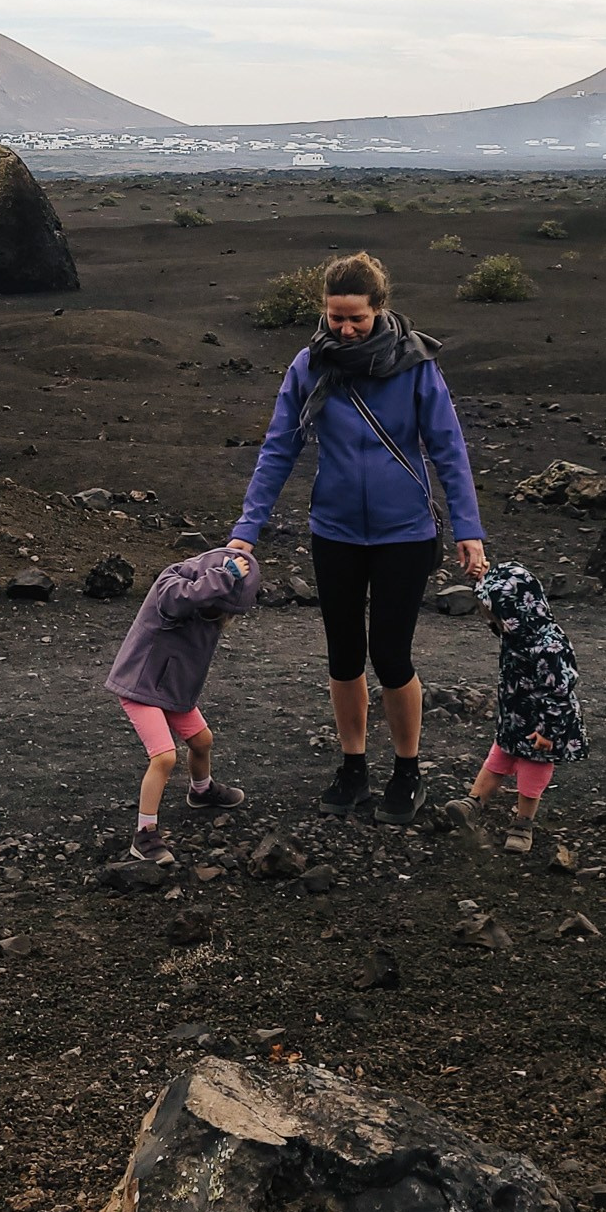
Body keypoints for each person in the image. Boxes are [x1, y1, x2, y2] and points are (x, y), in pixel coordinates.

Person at [228, 250, 486, 824]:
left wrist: (468, 530)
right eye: (335, 317)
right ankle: (352, 766)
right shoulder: (309, 365)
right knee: (344, 657)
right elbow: (279, 448)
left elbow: (448, 448)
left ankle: (408, 770)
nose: (344, 329)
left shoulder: (415, 364)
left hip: (405, 534)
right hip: (337, 531)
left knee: (391, 656)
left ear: (380, 310)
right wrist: (248, 529)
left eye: (356, 319)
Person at [104, 547, 259, 864]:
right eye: (218, 609)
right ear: (210, 582)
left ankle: (201, 791)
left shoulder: (207, 602)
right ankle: (144, 836)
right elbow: (180, 599)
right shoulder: (172, 584)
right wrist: (224, 575)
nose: (220, 618)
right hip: (140, 684)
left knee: (202, 741)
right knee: (163, 757)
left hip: (173, 688)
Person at [444, 560, 587, 854]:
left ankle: (523, 822)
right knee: (498, 758)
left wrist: (548, 731)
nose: (490, 621)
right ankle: (474, 802)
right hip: (515, 717)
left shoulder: (548, 646)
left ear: (514, 613)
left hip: (543, 724)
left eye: (495, 615)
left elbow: (559, 692)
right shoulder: (517, 635)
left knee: (532, 770)